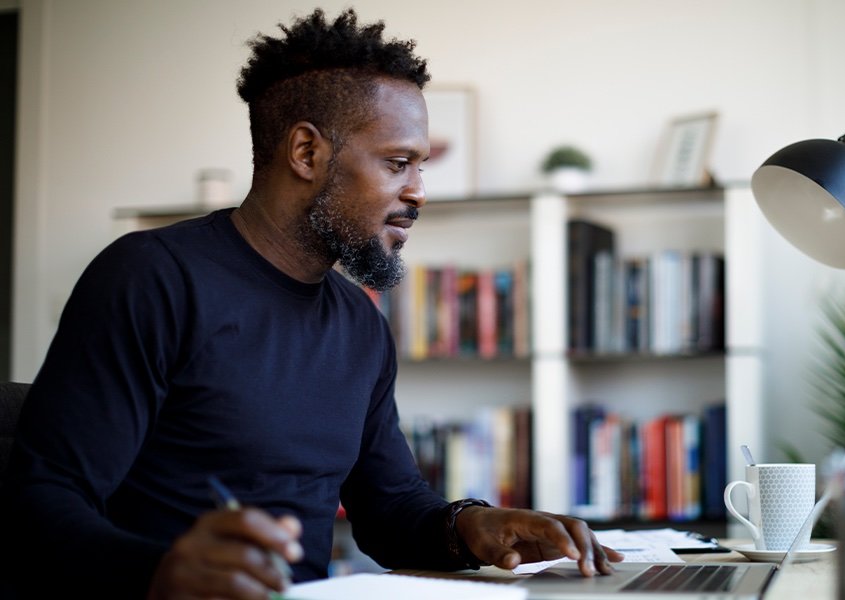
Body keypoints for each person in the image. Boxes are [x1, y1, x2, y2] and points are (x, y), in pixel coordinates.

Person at [0, 8, 622, 599]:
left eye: (420, 167)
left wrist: (472, 525)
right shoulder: (152, 277)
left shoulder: (359, 322)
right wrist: (160, 572)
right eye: (398, 163)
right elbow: (42, 501)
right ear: (306, 153)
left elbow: (389, 509)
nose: (419, 193)